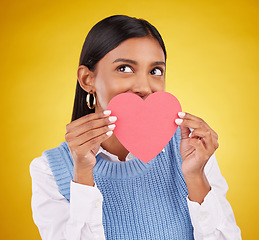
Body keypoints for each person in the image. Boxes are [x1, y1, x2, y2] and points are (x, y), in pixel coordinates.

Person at [30, 15, 242, 240]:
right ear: (87, 79)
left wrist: (195, 176)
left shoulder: (192, 152)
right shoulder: (49, 170)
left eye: (155, 71)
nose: (144, 87)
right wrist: (83, 173)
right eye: (125, 68)